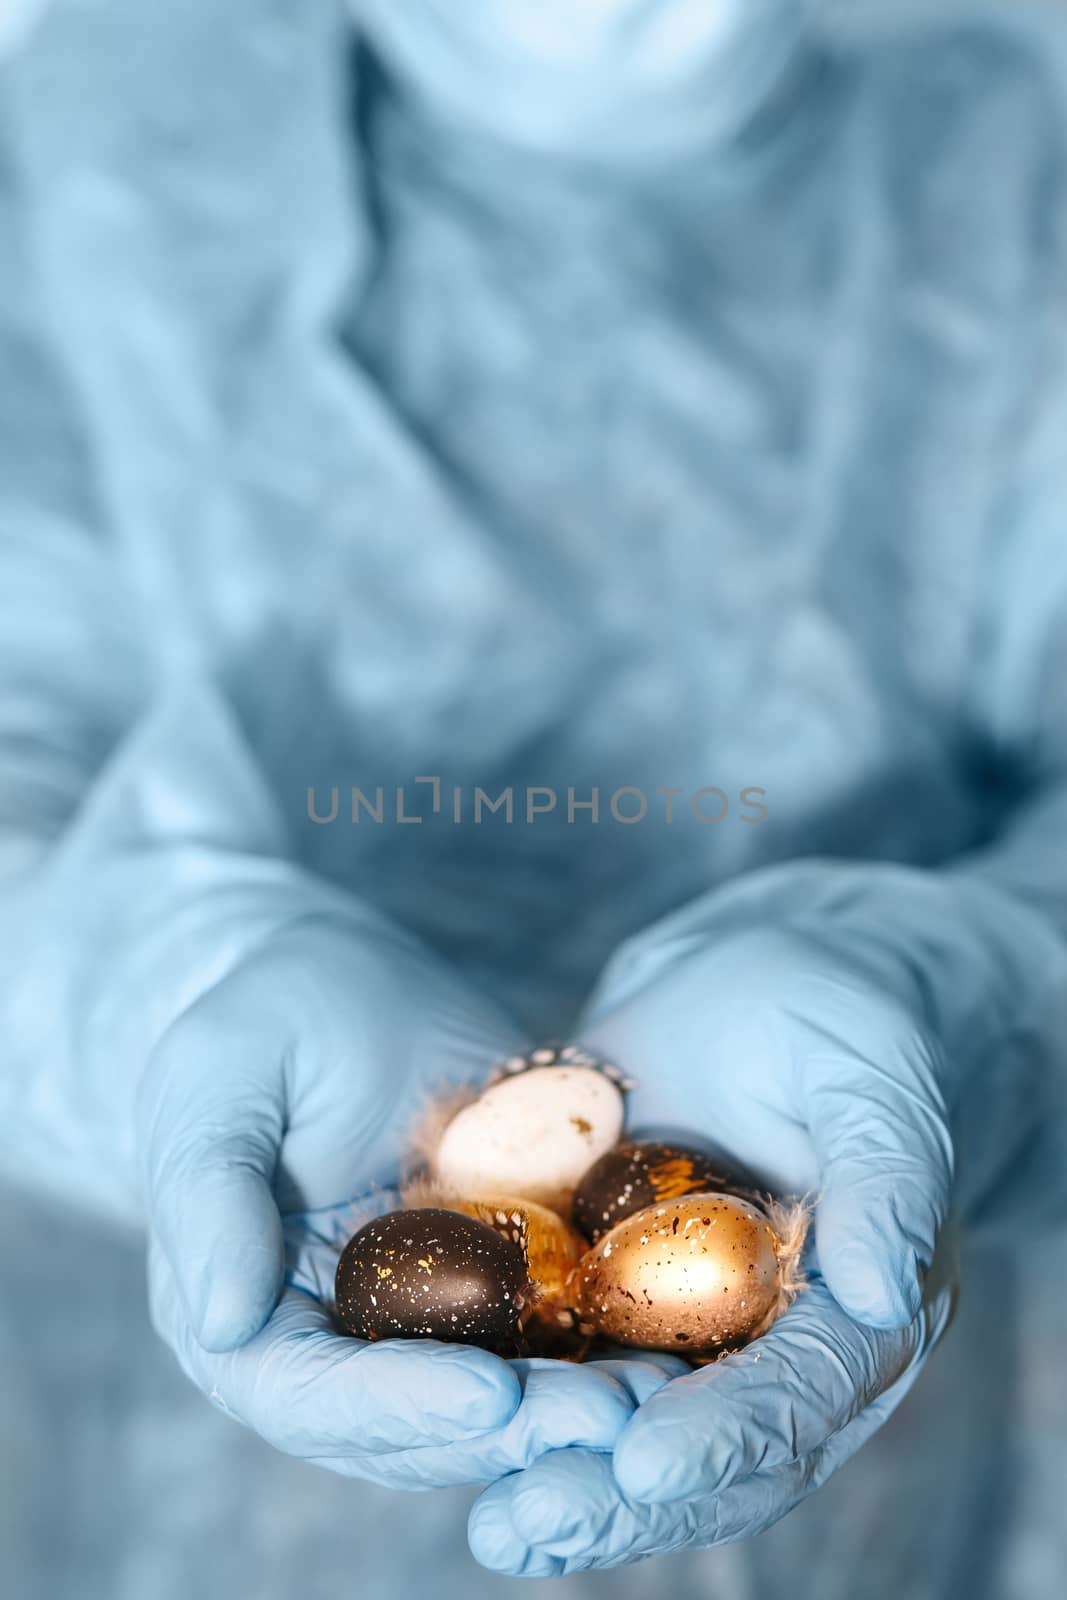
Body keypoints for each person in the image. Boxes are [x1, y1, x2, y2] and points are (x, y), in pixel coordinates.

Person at [1, 0, 1066, 1593]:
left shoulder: (1014, 161)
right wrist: (178, 995)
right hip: (177, 1491)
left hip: (866, 1500)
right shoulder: (101, 135)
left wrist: (944, 995)